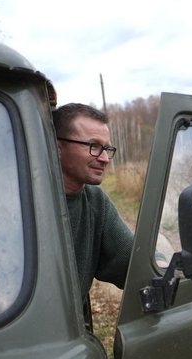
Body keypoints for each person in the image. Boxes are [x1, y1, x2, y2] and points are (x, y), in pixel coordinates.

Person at [52, 103, 133, 324]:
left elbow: (130, 261)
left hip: (72, 333)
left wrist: (163, 264)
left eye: (106, 148)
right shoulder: (24, 202)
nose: (105, 159)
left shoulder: (95, 201)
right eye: (93, 146)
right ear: (57, 148)